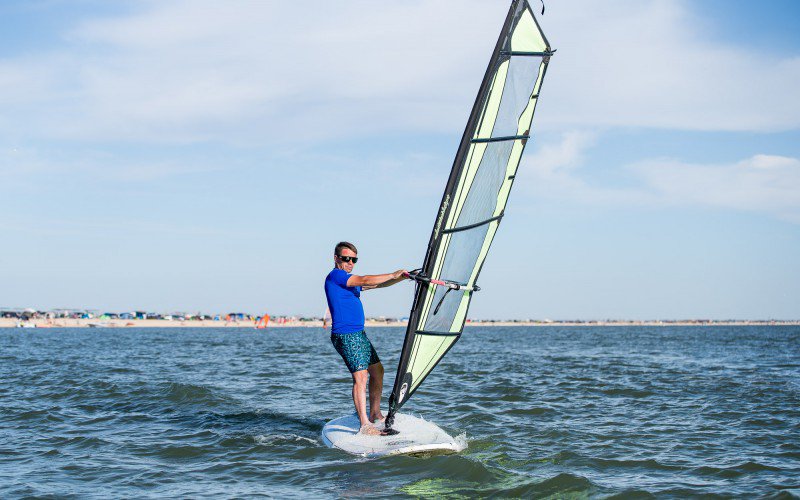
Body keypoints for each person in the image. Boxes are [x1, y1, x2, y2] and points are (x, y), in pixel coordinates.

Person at [324, 241, 407, 436]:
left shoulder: (349, 282)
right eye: (346, 259)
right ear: (336, 258)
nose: (350, 263)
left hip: (359, 334)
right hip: (346, 335)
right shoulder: (336, 276)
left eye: (354, 260)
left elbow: (376, 284)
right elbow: (366, 279)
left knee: (377, 371)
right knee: (360, 376)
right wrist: (393, 273)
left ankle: (375, 413)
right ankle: (364, 424)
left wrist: (401, 278)